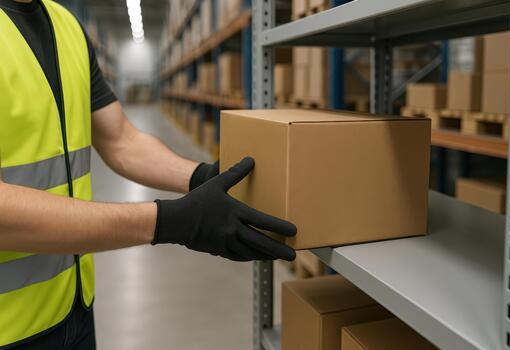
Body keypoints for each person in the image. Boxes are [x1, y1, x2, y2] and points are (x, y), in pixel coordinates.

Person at [0, 0, 296, 349]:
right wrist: (169, 221)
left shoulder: (65, 25)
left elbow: (121, 140)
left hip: (71, 309)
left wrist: (203, 177)